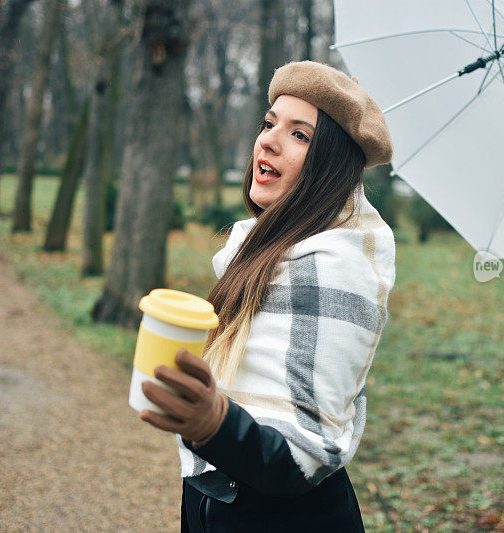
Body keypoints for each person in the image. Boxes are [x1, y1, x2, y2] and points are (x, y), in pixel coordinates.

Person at [139, 60, 397, 532]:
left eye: (300, 135)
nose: (268, 140)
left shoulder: (334, 269)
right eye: (269, 122)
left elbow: (302, 455)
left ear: (330, 166)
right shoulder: (265, 247)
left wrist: (213, 422)